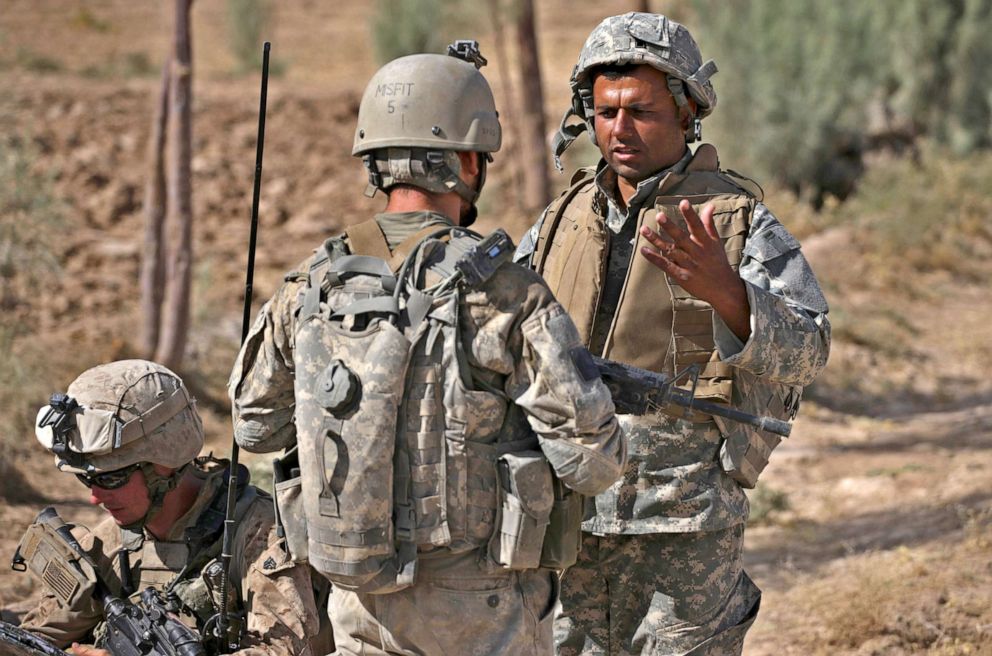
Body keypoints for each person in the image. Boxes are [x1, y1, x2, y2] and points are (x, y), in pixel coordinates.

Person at [228, 42, 626, 656]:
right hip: (481, 611)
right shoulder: (503, 289)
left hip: (357, 602)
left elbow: (254, 427)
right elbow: (591, 464)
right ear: (468, 161)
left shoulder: (310, 283)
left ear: (377, 163)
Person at [514, 13, 831, 656]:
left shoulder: (734, 220)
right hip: (569, 516)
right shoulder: (559, 221)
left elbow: (810, 350)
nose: (620, 129)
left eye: (642, 110)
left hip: (685, 520)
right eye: (605, 112)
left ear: (688, 113)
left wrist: (731, 295)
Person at [16, 359, 330, 656]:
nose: (95, 498)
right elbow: (33, 640)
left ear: (163, 464)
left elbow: (284, 649)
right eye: (87, 479)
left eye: (111, 479)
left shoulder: (260, 536)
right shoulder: (110, 545)